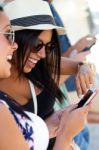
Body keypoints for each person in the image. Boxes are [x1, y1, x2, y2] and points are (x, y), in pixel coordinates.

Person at [0, 0, 92, 149]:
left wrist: (83, 67)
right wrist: (65, 134)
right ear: (15, 37)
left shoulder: (36, 60)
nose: (43, 54)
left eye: (49, 46)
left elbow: (76, 66)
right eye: (37, 44)